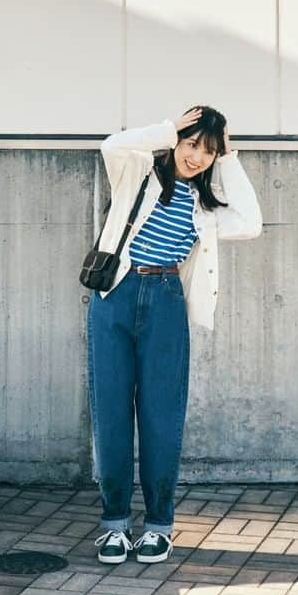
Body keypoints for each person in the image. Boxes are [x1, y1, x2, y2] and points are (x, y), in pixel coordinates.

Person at [86, 105, 262, 565]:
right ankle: (115, 524)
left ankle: (159, 525)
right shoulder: (137, 172)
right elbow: (111, 144)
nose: (196, 157)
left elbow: (250, 221)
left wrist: (229, 158)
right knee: (112, 414)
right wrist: (169, 129)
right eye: (191, 145)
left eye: (208, 151)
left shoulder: (205, 207)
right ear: (177, 141)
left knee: (162, 416)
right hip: (115, 296)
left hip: (165, 300)